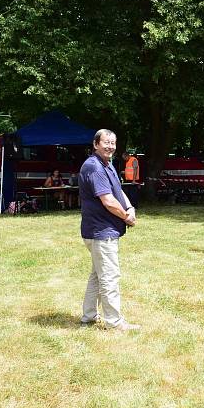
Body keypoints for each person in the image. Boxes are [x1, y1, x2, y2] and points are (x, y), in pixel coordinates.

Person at [78, 129, 139, 331]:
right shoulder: (94, 167)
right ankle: (114, 322)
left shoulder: (108, 165)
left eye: (113, 143)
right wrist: (126, 216)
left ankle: (88, 316)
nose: (110, 146)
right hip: (101, 232)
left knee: (97, 275)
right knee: (109, 277)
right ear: (96, 144)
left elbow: (118, 191)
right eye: (106, 142)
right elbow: (108, 200)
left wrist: (129, 208)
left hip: (103, 231)